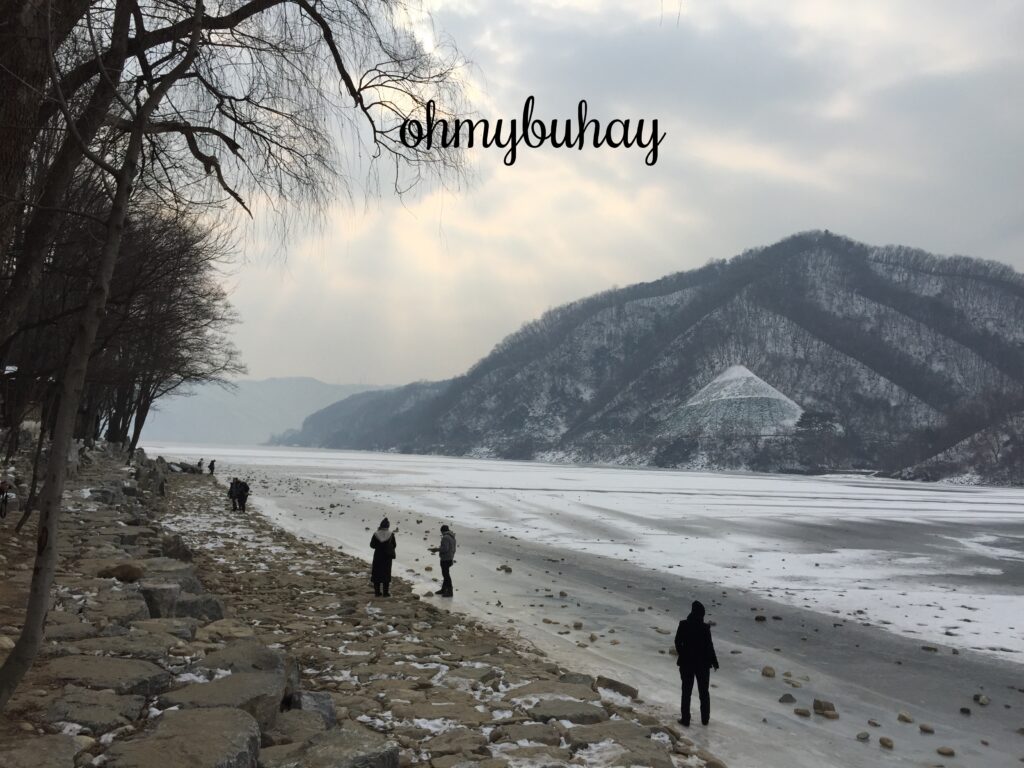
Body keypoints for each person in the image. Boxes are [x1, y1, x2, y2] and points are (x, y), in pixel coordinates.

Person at [674, 600, 719, 727]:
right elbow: (709, 647)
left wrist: (682, 653)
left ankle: (685, 719)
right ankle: (705, 720)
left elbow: (677, 642)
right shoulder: (705, 628)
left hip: (686, 663)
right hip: (703, 665)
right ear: (701, 614)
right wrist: (714, 662)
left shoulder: (683, 624)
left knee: (686, 692)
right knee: (704, 693)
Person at [369, 517, 397, 597]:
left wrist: (379, 546)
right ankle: (385, 593)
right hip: (387, 558)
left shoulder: (376, 534)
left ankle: (377, 593)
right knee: (386, 574)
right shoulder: (391, 535)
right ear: (388, 526)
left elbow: (372, 545)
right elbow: (394, 545)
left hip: (378, 556)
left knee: (376, 574)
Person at [429, 524, 457, 597]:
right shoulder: (452, 537)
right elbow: (452, 549)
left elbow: (445, 549)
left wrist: (436, 549)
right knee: (446, 574)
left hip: (445, 559)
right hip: (450, 558)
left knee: (446, 575)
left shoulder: (445, 537)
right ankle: (444, 589)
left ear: (442, 531)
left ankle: (450, 591)